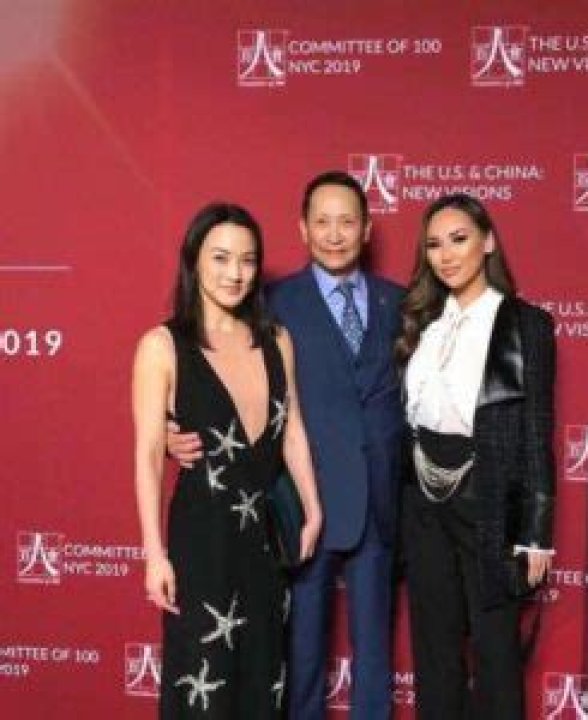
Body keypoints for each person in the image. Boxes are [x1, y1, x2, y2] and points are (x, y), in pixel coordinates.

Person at [167, 173, 405, 719]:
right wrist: (171, 428)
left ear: (367, 229)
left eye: (347, 221)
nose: (335, 234)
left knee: (375, 658)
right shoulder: (270, 303)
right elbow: (206, 360)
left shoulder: (400, 303)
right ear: (302, 229)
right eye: (322, 221)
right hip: (297, 503)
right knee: (299, 656)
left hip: (379, 502)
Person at [132, 202, 322, 719]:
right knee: (204, 688)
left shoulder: (277, 340)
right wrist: (154, 554)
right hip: (201, 546)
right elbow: (148, 455)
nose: (235, 273)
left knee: (263, 684)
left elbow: (293, 430)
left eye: (247, 260)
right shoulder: (162, 347)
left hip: (264, 546)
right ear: (194, 260)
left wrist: (313, 507)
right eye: (220, 257)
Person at [395, 193, 556, 719]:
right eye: (434, 245)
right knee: (434, 651)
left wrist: (535, 532)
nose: (446, 255)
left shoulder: (525, 324)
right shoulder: (423, 323)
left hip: (489, 499)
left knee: (495, 651)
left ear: (487, 242)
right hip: (423, 501)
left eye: (459, 239)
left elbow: (536, 429)